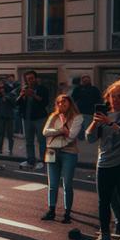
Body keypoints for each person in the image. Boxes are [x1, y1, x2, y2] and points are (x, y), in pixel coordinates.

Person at [84, 78, 120, 240]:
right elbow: (89, 138)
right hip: (104, 163)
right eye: (112, 96)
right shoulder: (103, 115)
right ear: (107, 98)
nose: (115, 100)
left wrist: (110, 123)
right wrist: (94, 123)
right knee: (103, 201)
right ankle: (105, 235)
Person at [41, 94, 82, 223]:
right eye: (59, 102)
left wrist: (61, 132)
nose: (61, 105)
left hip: (68, 152)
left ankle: (67, 213)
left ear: (70, 103)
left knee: (67, 184)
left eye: (64, 102)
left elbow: (71, 136)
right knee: (52, 184)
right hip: (52, 150)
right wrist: (60, 130)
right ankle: (51, 210)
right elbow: (45, 132)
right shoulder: (53, 116)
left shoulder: (77, 117)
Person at [17, 71, 50, 170]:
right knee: (28, 141)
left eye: (32, 78)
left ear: (36, 78)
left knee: (41, 140)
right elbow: (17, 103)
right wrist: (22, 95)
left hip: (40, 118)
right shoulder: (24, 89)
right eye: (28, 79)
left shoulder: (42, 89)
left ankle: (42, 161)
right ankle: (30, 160)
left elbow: (45, 102)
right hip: (27, 118)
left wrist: (33, 95)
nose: (30, 81)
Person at [0, 81, 16, 155]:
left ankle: (10, 150)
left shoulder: (11, 94)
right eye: (0, 88)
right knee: (0, 134)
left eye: (2, 88)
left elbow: (14, 104)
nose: (1, 89)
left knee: (10, 134)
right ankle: (0, 149)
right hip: (0, 117)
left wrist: (6, 97)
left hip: (9, 117)